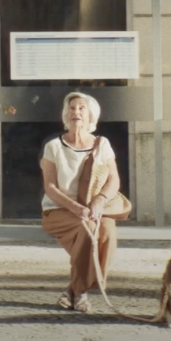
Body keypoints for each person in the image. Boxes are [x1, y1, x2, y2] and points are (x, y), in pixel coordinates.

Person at [40, 91, 121, 312]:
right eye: (72, 108)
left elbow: (114, 180)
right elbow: (51, 187)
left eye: (81, 108)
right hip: (58, 211)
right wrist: (76, 207)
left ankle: (72, 289)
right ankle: (81, 293)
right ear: (66, 114)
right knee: (88, 229)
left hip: (93, 210)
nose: (76, 112)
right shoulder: (53, 147)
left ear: (91, 115)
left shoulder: (102, 144)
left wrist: (99, 200)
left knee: (107, 230)